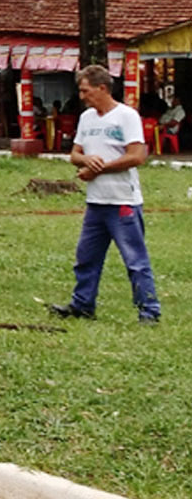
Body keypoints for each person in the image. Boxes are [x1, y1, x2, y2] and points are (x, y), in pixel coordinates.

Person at [48, 64, 161, 325]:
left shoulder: (126, 116)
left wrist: (100, 169)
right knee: (86, 257)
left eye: (86, 90)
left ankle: (149, 311)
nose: (82, 95)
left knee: (135, 259)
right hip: (96, 202)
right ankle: (82, 304)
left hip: (123, 202)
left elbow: (137, 156)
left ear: (102, 88)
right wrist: (86, 160)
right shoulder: (87, 118)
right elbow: (75, 154)